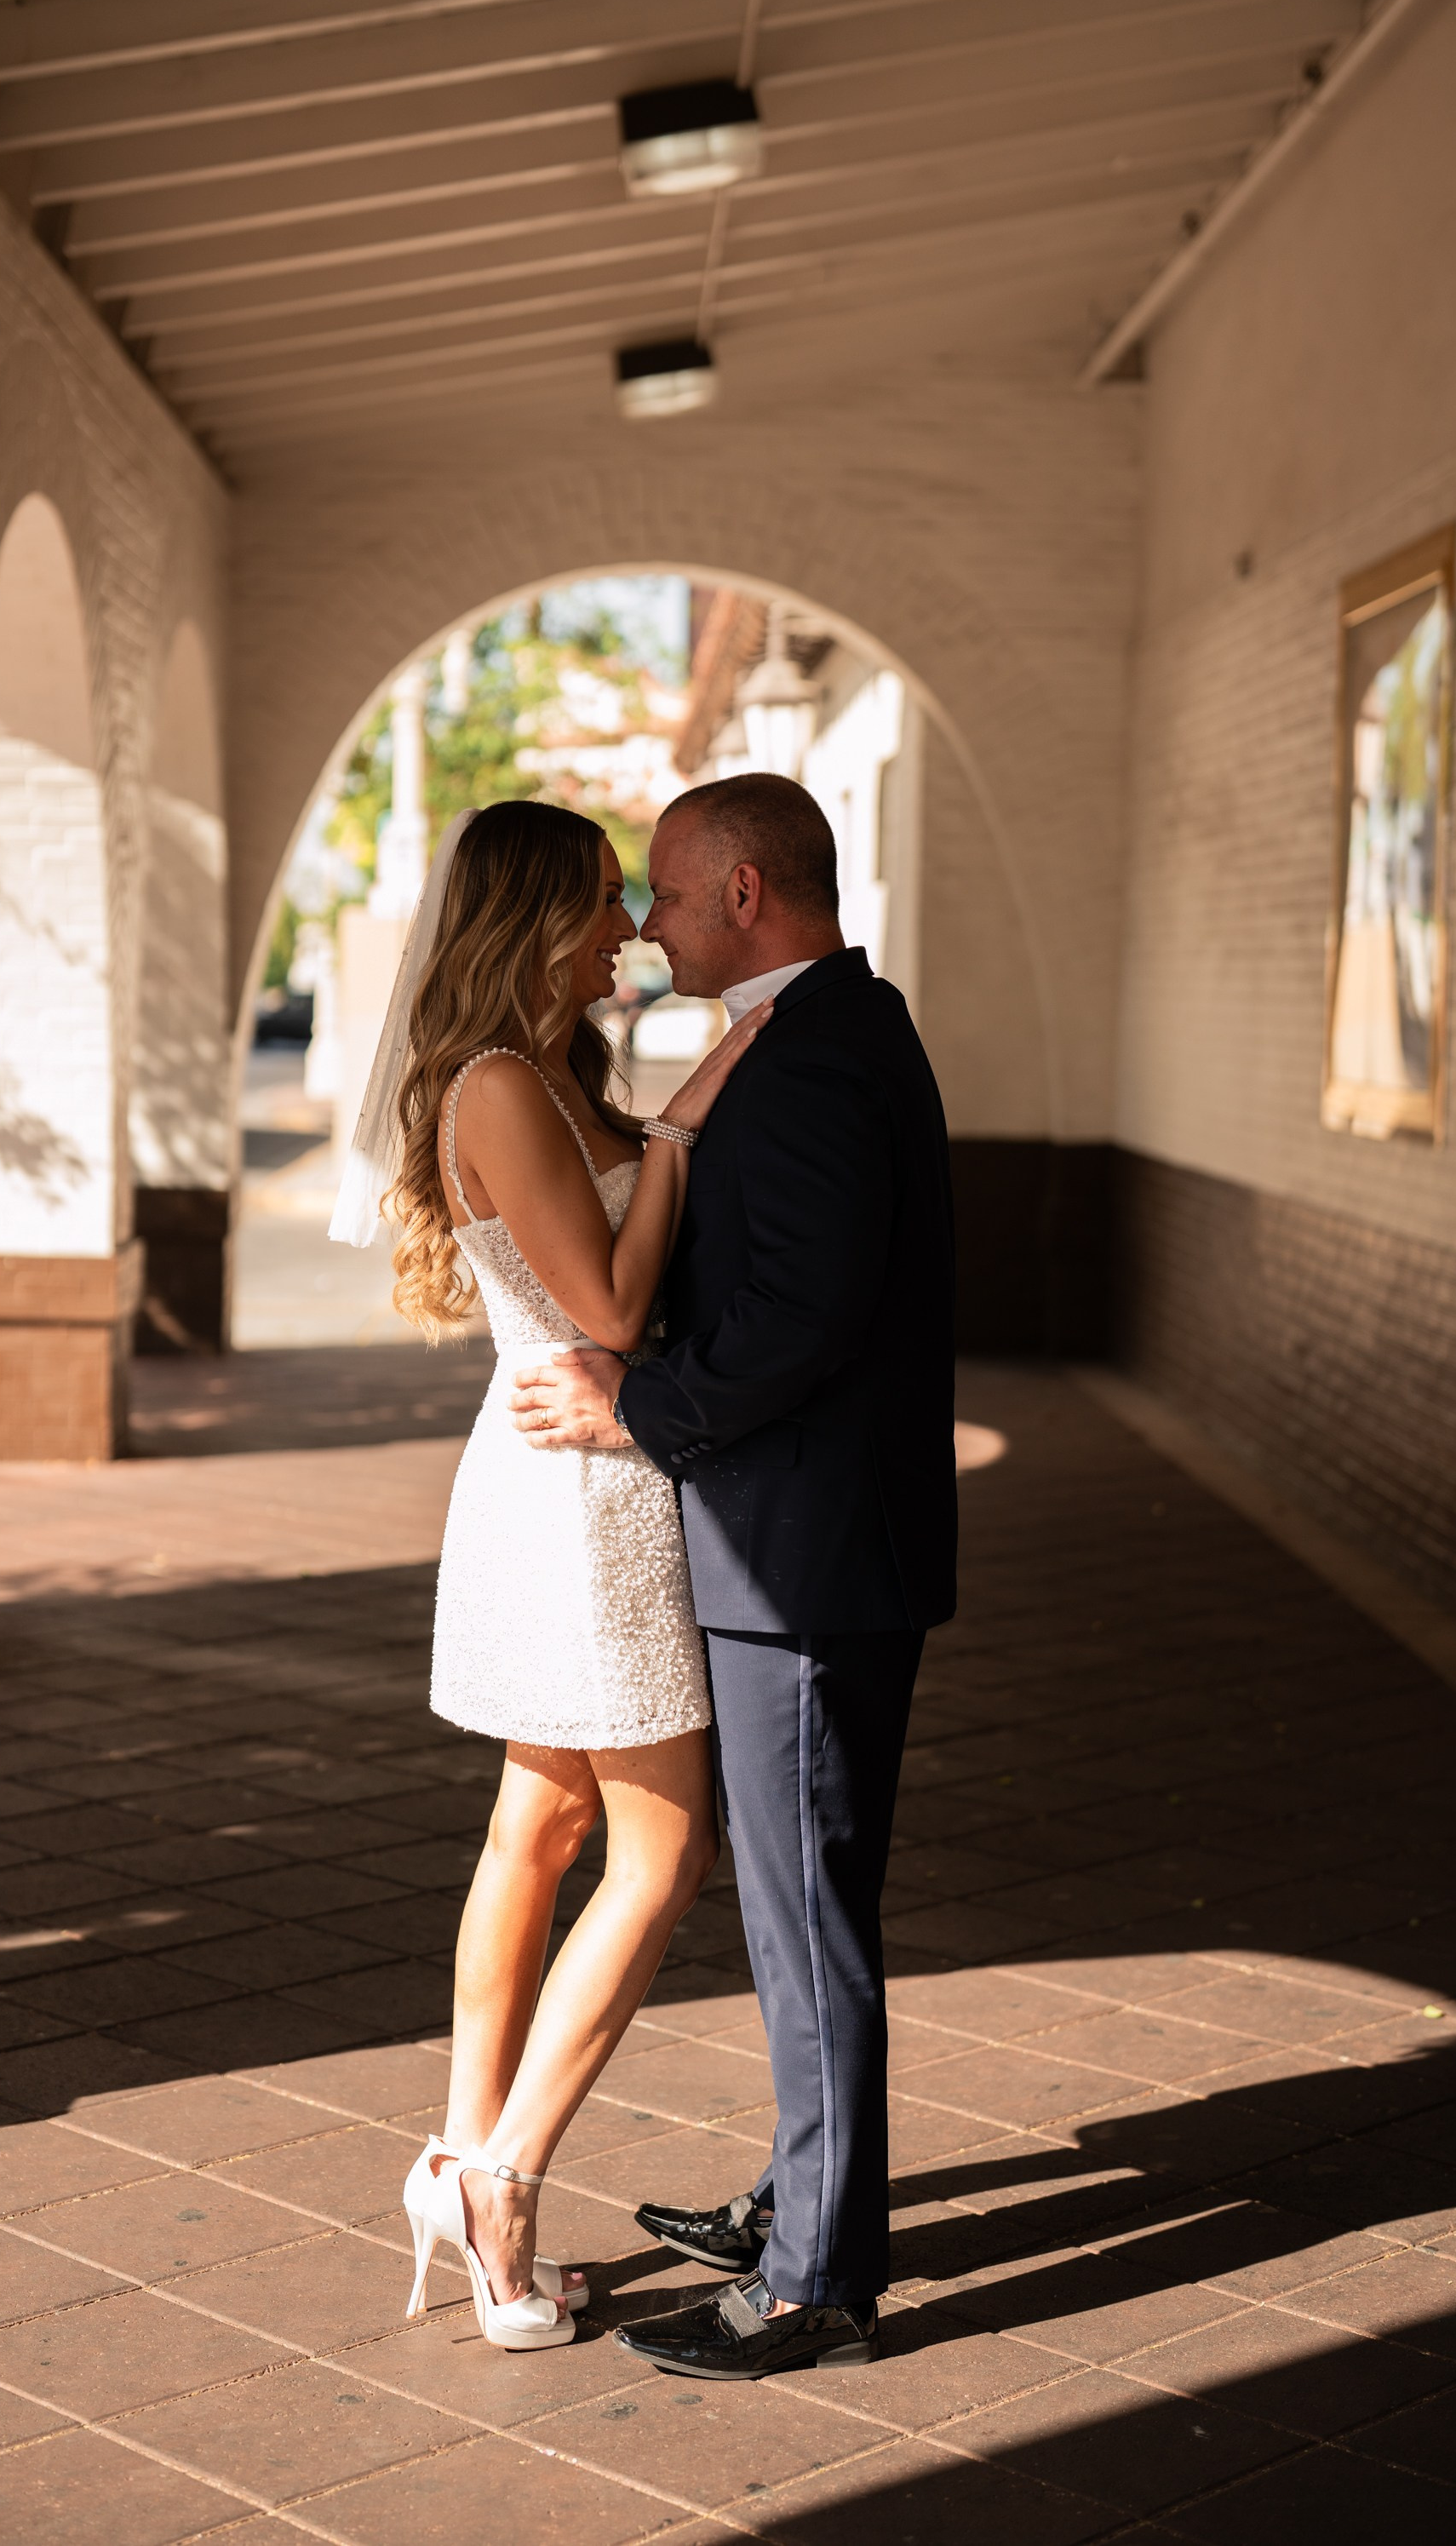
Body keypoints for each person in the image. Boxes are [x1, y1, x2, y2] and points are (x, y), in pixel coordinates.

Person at [510, 772, 957, 2383]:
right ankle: (801, 2199)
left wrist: (640, 1405)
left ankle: (819, 2279)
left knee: (805, 1914)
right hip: (813, 1543)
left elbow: (810, 1314)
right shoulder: (814, 1027)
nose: (648, 922)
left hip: (811, 1558)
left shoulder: (827, 1047)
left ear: (750, 893)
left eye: (671, 895)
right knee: (796, 1905)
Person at [329, 799, 767, 2354]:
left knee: (543, 1822)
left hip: (569, 1474)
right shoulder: (505, 1086)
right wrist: (685, 1134)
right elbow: (617, 1312)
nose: (628, 926)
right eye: (598, 901)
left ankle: (458, 2157)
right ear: (528, 921)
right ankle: (507, 2175)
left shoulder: (536, 1074)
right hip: (587, 1489)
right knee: (658, 1860)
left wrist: (652, 1131)